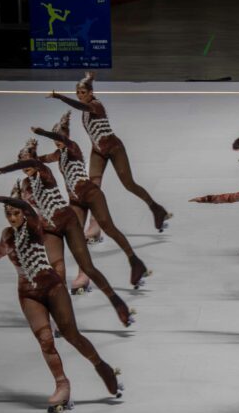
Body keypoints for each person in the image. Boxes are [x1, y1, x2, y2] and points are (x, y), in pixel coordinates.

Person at [0, 190, 124, 413]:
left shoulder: (34, 226)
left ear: (24, 213)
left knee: (71, 334)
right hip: (28, 293)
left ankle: (101, 366)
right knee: (45, 341)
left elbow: (24, 209)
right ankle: (62, 384)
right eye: (9, 214)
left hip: (52, 288)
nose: (13, 218)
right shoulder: (7, 234)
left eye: (16, 213)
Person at [0, 139, 136, 327]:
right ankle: (63, 319)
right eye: (20, 162)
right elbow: (22, 210)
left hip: (67, 222)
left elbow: (34, 163)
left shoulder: (44, 172)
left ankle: (117, 302)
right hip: (50, 229)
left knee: (88, 267)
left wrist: (5, 169)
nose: (23, 165)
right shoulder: (24, 186)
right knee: (57, 276)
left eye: (25, 161)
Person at [30, 113, 152, 290]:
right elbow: (40, 161)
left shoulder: (73, 148)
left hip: (91, 195)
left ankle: (134, 261)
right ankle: (83, 275)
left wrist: (42, 132)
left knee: (109, 228)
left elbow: (58, 139)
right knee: (77, 239)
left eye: (61, 137)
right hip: (75, 201)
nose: (58, 141)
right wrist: (32, 157)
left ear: (67, 136)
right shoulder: (58, 154)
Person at [48, 72, 172, 241]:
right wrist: (89, 77)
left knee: (129, 184)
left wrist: (61, 97)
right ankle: (95, 228)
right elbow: (84, 98)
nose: (80, 95)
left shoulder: (95, 105)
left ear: (91, 93)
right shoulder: (87, 103)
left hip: (114, 148)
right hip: (98, 150)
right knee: (93, 188)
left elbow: (81, 106)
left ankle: (156, 208)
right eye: (78, 92)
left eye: (83, 92)